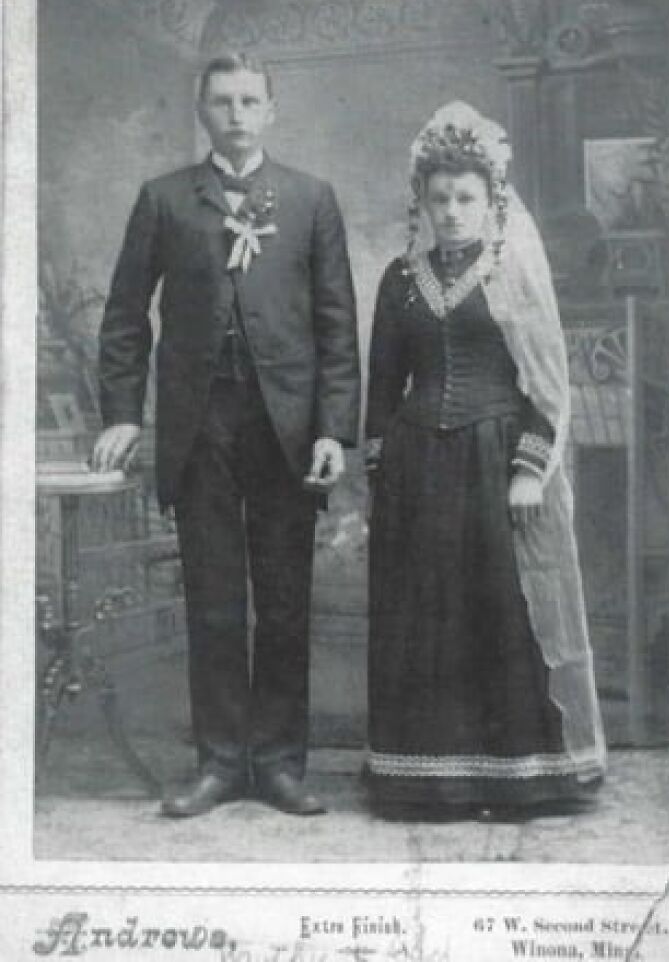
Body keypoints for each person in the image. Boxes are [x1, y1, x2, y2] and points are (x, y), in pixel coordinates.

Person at [92, 53, 360, 818]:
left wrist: (334, 428)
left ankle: (277, 764)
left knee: (282, 601)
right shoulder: (165, 199)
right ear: (203, 110)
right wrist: (120, 411)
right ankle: (217, 762)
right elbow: (123, 316)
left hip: (286, 427)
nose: (237, 113)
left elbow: (337, 326)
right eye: (222, 101)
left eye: (250, 100)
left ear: (271, 109)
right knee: (212, 600)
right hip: (199, 424)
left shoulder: (311, 200)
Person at [364, 102, 606, 818]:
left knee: (499, 609)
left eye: (465, 198)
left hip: (496, 463)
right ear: (423, 203)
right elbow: (382, 387)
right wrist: (379, 476)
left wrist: (531, 467)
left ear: (491, 201)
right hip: (416, 468)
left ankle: (516, 777)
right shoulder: (398, 281)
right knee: (424, 615)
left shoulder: (511, 273)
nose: (451, 212)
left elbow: (543, 381)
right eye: (438, 199)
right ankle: (428, 779)